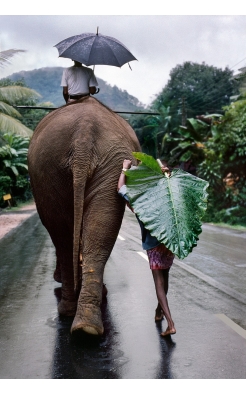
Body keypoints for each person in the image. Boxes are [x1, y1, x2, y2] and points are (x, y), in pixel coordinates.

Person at [117, 159, 176, 337]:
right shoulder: (166, 193)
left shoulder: (141, 197)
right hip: (169, 242)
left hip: (154, 245)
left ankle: (171, 324)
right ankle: (159, 312)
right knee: (165, 279)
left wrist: (125, 168)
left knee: (159, 284)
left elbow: (120, 188)